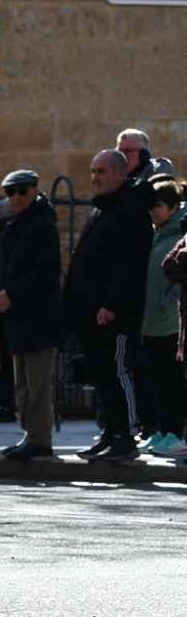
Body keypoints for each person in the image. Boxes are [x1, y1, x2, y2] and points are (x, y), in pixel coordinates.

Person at [62, 150, 155, 462]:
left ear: (120, 174)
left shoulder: (132, 211)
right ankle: (110, 433)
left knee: (116, 374)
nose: (95, 177)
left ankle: (126, 436)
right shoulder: (100, 210)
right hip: (88, 314)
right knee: (99, 376)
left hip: (112, 316)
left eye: (101, 171)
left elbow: (129, 266)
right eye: (93, 171)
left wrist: (112, 304)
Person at [0, 170, 63, 461]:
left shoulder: (42, 224)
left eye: (22, 191)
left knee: (37, 384)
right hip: (18, 318)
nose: (16, 197)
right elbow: (7, 271)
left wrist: (10, 293)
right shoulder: (13, 225)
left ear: (35, 191)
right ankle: (31, 435)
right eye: (10, 192)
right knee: (23, 384)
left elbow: (48, 270)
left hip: (38, 317)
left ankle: (40, 439)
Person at [138, 178, 186, 457]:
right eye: (151, 206)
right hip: (151, 322)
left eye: (158, 206)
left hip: (170, 323)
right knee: (156, 382)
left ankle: (176, 435)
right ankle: (161, 431)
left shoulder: (181, 234)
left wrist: (168, 306)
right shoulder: (154, 233)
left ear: (174, 207)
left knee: (174, 382)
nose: (152, 211)